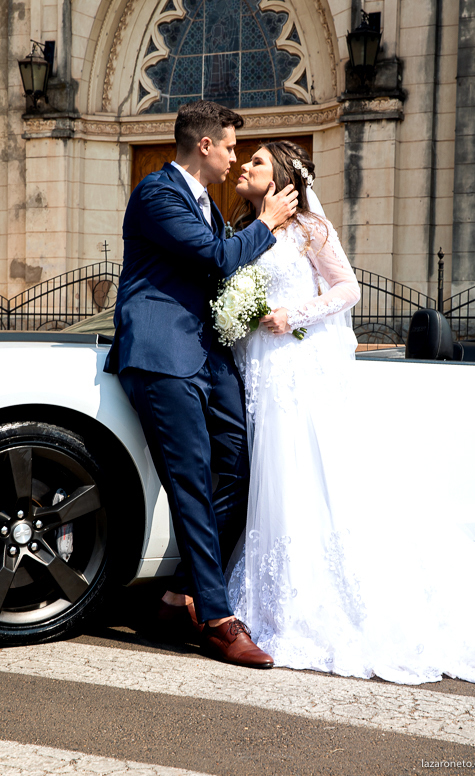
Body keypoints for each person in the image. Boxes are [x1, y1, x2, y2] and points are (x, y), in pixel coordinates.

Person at [227, 139, 475, 686]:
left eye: (258, 160)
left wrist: (294, 314)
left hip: (295, 369)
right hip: (260, 372)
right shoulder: (244, 229)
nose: (246, 164)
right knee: (272, 480)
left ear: (283, 175)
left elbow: (347, 288)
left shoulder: (311, 229)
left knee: (305, 477)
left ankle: (318, 598)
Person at [104, 101, 298, 668]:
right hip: (162, 354)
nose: (236, 156)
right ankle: (215, 619)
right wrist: (266, 225)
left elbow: (223, 270)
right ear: (206, 145)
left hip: (210, 357)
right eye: (232, 146)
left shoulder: (209, 205)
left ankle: (173, 598)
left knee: (241, 466)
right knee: (189, 481)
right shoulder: (156, 193)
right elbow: (216, 257)